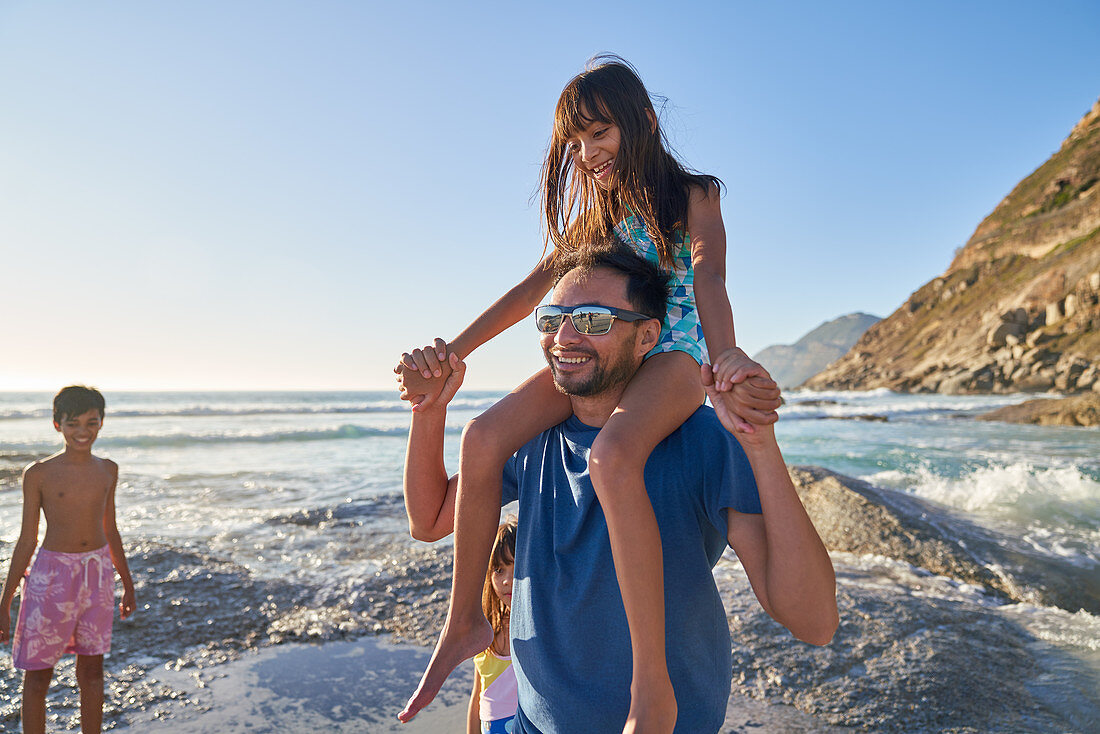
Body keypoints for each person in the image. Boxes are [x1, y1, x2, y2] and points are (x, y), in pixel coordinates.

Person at [395, 55, 778, 730]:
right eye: (575, 143)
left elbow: (711, 277)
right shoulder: (595, 218)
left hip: (674, 356)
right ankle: (461, 623)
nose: (587, 153)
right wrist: (452, 353)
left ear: (644, 122)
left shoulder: (694, 195)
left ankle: (651, 682)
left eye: (598, 133)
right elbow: (529, 291)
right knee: (483, 436)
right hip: (605, 351)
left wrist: (725, 356)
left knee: (612, 457)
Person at [402, 247, 839, 733]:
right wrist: (429, 409)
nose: (564, 337)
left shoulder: (698, 439)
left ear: (647, 336)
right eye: (553, 319)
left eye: (593, 320)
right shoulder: (526, 436)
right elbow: (431, 520)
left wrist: (759, 443)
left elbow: (814, 623)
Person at [0, 386, 137, 734]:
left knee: (92, 671)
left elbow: (112, 529)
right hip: (52, 577)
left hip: (98, 574)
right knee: (38, 674)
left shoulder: (108, 470)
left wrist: (128, 584)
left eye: (91, 423)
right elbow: (27, 539)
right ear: (57, 424)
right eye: (73, 422)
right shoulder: (39, 473)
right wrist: (5, 601)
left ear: (102, 423)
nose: (83, 431)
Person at [467, 519, 519, 734]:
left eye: (516, 568)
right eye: (499, 570)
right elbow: (478, 695)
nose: (507, 580)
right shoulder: (485, 629)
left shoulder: (543, 627)